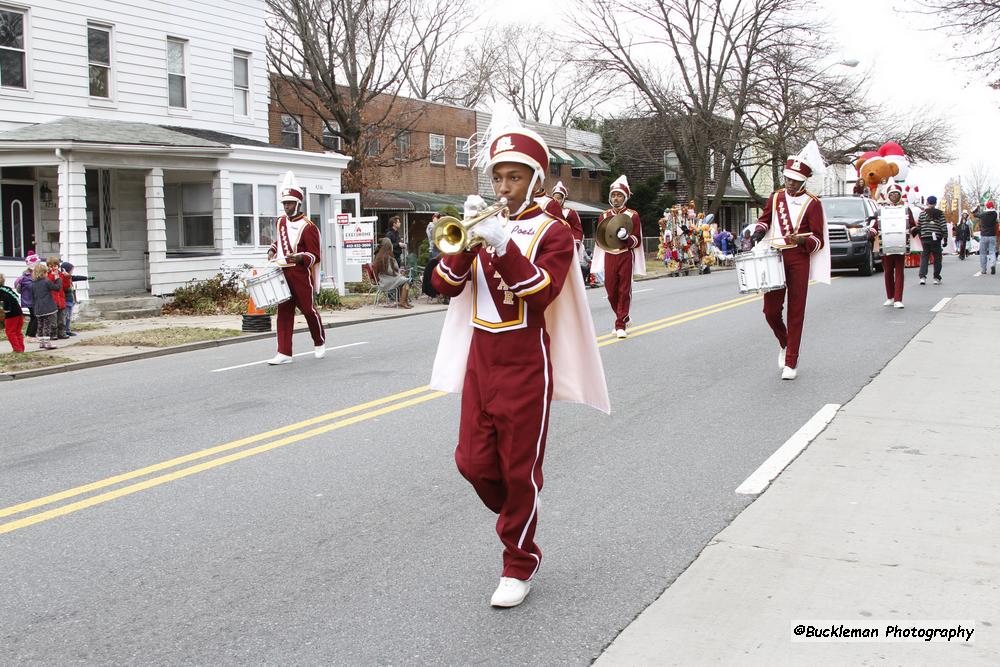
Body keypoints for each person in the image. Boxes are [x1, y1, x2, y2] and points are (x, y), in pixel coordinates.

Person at [429, 114, 609, 608]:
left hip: (527, 363)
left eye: (514, 177)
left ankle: (518, 561)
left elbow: (540, 293)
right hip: (480, 359)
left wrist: (504, 245)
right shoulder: (484, 223)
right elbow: (442, 286)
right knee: (472, 463)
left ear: (533, 178)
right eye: (498, 177)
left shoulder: (553, 233)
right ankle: (519, 507)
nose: (504, 187)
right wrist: (466, 242)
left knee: (518, 468)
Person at [749, 141, 830, 380]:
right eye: (788, 179)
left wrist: (803, 241)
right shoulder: (775, 197)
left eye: (795, 180)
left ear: (804, 181)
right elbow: (765, 221)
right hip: (775, 255)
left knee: (796, 310)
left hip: (798, 258)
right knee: (770, 311)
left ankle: (791, 361)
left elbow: (818, 240)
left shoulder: (813, 203)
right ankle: (785, 344)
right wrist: (758, 231)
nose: (790, 184)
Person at [265, 171, 326, 365]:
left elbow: (314, 255)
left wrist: (300, 257)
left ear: (298, 204)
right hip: (282, 270)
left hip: (300, 272)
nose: (286, 206)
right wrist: (273, 249)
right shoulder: (280, 221)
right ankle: (284, 352)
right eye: (284, 203)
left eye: (290, 203)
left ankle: (319, 341)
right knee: (283, 311)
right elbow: (280, 242)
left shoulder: (309, 227)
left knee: (308, 309)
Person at [591, 175, 645, 338]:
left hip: (625, 255)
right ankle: (624, 317)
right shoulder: (604, 215)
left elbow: (637, 241)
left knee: (624, 290)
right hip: (609, 255)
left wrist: (626, 238)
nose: (616, 198)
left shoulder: (632, 215)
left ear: (625, 197)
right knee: (610, 291)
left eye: (619, 195)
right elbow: (599, 240)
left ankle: (620, 324)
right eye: (614, 195)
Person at [869, 181, 916, 308]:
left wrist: (914, 230)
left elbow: (910, 225)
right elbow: (876, 225)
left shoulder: (905, 209)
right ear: (888, 196)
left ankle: (898, 299)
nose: (894, 196)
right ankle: (890, 296)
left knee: (899, 272)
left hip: (900, 244)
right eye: (892, 194)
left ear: (900, 195)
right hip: (886, 244)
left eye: (896, 194)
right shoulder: (882, 210)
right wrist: (871, 233)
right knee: (888, 271)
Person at [373, 237, 413, 308]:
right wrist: (399, 274)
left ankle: (404, 301)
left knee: (405, 281)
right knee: (407, 281)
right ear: (388, 247)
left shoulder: (379, 257)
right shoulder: (387, 258)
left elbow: (387, 272)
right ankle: (403, 301)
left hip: (384, 280)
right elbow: (392, 272)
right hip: (386, 281)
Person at [29, 262, 61, 350]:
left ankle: (41, 342)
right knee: (47, 324)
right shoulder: (46, 281)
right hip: (47, 306)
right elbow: (57, 288)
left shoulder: (33, 284)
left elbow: (32, 296)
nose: (47, 274)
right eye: (46, 272)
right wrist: (57, 278)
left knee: (40, 324)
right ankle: (47, 343)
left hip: (38, 307)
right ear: (43, 273)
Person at [916, 195, 947, 285]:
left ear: (927, 203)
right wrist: (945, 238)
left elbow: (919, 226)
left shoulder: (922, 214)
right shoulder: (940, 214)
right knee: (937, 258)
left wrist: (921, 236)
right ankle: (936, 277)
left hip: (925, 238)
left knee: (924, 257)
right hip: (936, 239)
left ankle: (922, 277)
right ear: (935, 203)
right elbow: (943, 227)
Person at [59, 261, 90, 336]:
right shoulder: (63, 278)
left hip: (70, 300)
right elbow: (65, 288)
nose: (72, 272)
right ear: (66, 270)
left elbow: (76, 277)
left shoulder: (69, 277)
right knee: (66, 317)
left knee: (68, 316)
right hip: (66, 300)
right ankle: (66, 331)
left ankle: (67, 329)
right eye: (71, 270)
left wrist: (86, 278)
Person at [14, 253, 39, 341]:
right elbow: (19, 288)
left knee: (33, 316)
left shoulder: (28, 276)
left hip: (32, 299)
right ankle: (31, 336)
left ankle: (29, 334)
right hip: (30, 300)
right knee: (36, 317)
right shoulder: (26, 277)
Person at [0, 273, 25, 353]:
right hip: (19, 312)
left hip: (10, 314)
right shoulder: (7, 289)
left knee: (10, 332)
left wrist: (5, 311)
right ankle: (21, 348)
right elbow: (16, 298)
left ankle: (17, 349)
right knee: (18, 331)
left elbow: (4, 303)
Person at [972, 201, 997, 275]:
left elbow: (974, 214)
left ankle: (983, 269)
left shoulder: (983, 214)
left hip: (984, 235)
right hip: (992, 235)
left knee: (983, 253)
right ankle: (992, 265)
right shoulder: (995, 214)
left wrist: (977, 207)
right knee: (992, 251)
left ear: (987, 207)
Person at [422, 213, 443, 301]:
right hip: (435, 251)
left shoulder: (438, 226)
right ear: (435, 218)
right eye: (439, 219)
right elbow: (434, 237)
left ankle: (440, 292)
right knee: (435, 272)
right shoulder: (431, 226)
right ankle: (434, 293)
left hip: (441, 251)